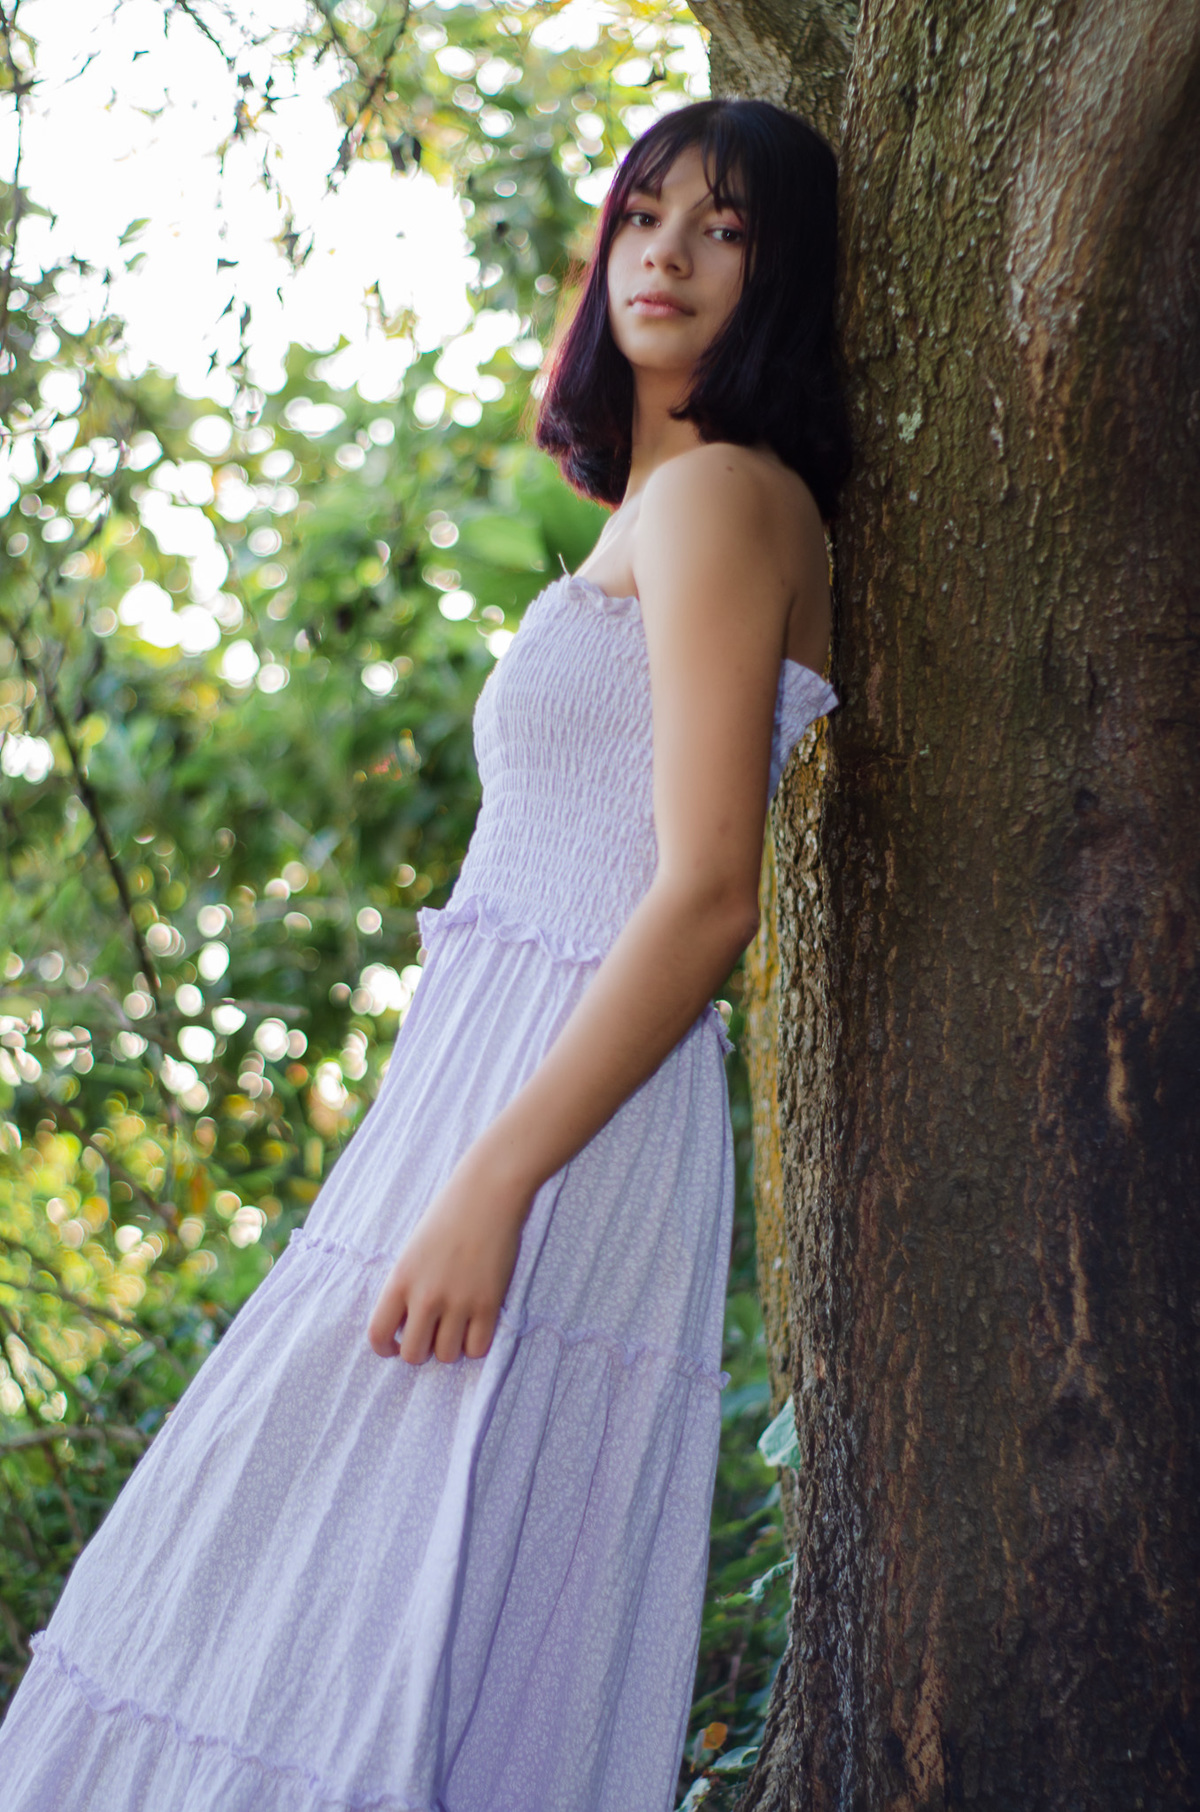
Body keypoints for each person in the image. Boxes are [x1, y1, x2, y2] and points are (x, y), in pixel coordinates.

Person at [0, 95, 851, 1812]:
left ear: (783, 280)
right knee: (361, 1581)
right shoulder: (663, 508)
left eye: (726, 230)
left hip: (559, 1123)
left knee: (343, 1576)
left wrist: (495, 1182)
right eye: (643, 215)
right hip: (501, 1096)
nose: (668, 255)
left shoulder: (720, 502)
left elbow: (706, 893)